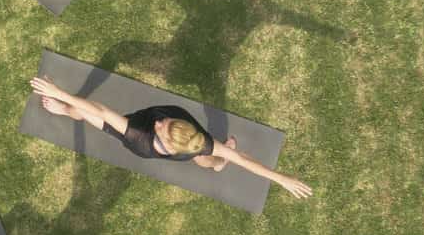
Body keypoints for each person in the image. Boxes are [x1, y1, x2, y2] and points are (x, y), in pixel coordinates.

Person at [29, 75, 313, 198]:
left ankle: (63, 109)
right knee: (206, 156)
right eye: (166, 121)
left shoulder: (139, 134)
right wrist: (281, 179)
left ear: (167, 141)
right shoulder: (195, 141)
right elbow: (242, 158)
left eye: (162, 125)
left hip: (138, 138)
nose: (160, 121)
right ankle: (217, 164)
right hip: (189, 147)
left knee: (87, 112)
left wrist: (59, 93)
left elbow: (101, 110)